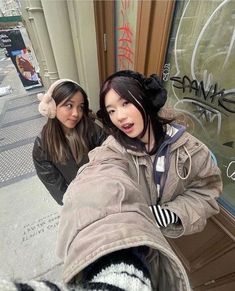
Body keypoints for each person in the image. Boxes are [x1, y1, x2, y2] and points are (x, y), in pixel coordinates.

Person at [56, 70, 222, 290]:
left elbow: (207, 193)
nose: (120, 116)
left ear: (145, 99)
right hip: (139, 250)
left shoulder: (192, 150)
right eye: (112, 110)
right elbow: (94, 183)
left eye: (125, 103)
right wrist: (108, 260)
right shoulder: (112, 151)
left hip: (176, 243)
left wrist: (172, 213)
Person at [32, 79, 107, 205]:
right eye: (69, 105)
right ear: (52, 106)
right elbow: (53, 182)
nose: (76, 113)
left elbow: (109, 157)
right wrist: (73, 204)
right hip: (76, 202)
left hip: (103, 191)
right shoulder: (42, 145)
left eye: (81, 107)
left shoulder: (92, 129)